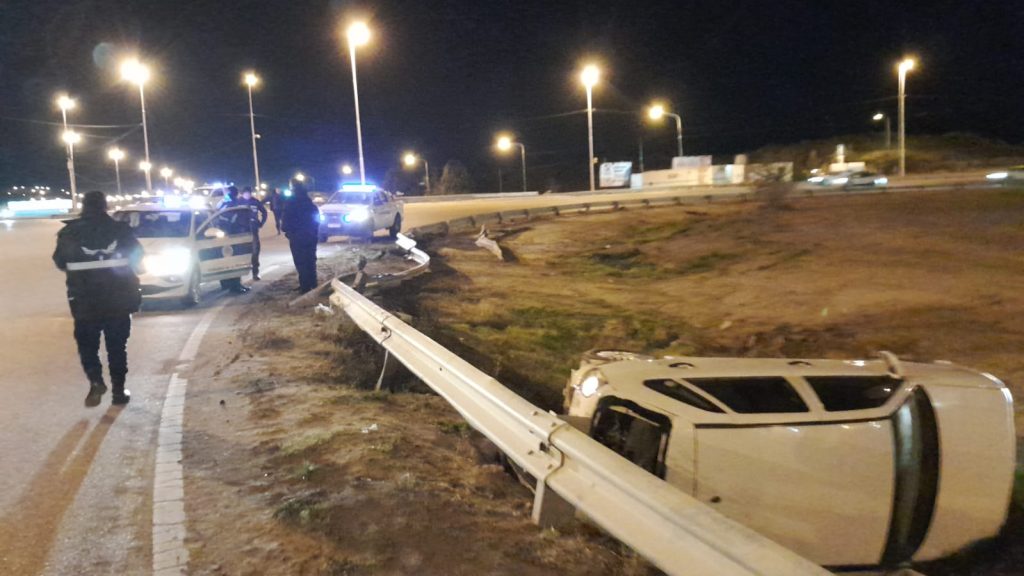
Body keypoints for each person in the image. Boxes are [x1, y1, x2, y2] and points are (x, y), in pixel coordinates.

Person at [53, 190, 144, 407]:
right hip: (118, 299)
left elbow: (59, 261)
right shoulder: (121, 230)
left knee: (87, 345)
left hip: (84, 301)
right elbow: (138, 255)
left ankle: (95, 381)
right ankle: (119, 392)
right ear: (105, 206)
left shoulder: (69, 232)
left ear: (84, 206)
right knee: (117, 347)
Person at [281, 180, 319, 292]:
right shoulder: (309, 203)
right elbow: (316, 220)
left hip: (297, 236)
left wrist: (287, 231)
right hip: (310, 236)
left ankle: (305, 286)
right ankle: (313, 283)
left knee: (300, 261)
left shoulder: (291, 203)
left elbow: (286, 219)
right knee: (310, 259)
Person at [238, 186, 268, 280]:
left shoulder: (255, 201)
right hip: (242, 230)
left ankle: (255, 273)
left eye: (249, 193)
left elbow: (264, 212)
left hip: (253, 230)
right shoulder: (238, 202)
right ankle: (239, 275)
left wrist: (261, 223)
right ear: (242, 193)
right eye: (246, 193)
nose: (248, 195)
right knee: (242, 252)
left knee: (255, 251)